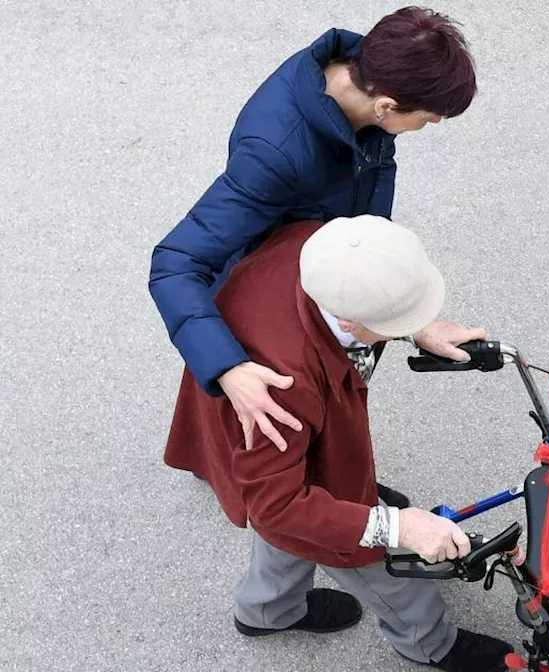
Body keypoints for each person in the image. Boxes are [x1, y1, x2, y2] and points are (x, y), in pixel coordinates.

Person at [163, 214, 514, 671]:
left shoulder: (319, 248)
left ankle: (266, 611)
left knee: (288, 532)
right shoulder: (285, 386)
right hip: (277, 448)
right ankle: (430, 645)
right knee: (389, 572)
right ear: (351, 319)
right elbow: (277, 504)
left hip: (270, 449)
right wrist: (399, 528)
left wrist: (415, 323)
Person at [149, 6, 485, 453]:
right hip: (283, 287)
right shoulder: (275, 155)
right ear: (386, 105)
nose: (427, 127)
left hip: (334, 271)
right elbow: (175, 263)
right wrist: (228, 368)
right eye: (426, 119)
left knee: (335, 398)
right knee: (287, 417)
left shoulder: (364, 85)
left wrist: (404, 314)